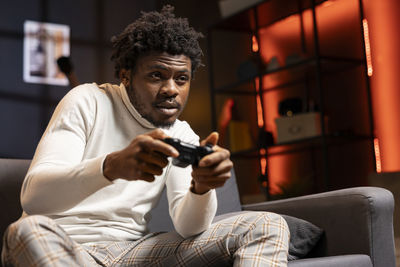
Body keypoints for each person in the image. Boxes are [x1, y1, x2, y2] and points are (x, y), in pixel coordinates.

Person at [2, 5, 289, 266]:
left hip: (131, 253)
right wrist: (111, 166)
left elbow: (188, 227)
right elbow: (34, 199)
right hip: (64, 246)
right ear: (125, 75)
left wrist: (200, 187)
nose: (171, 90)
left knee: (266, 225)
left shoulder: (181, 133)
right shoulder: (86, 100)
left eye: (181, 79)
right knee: (26, 231)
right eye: (156, 76)